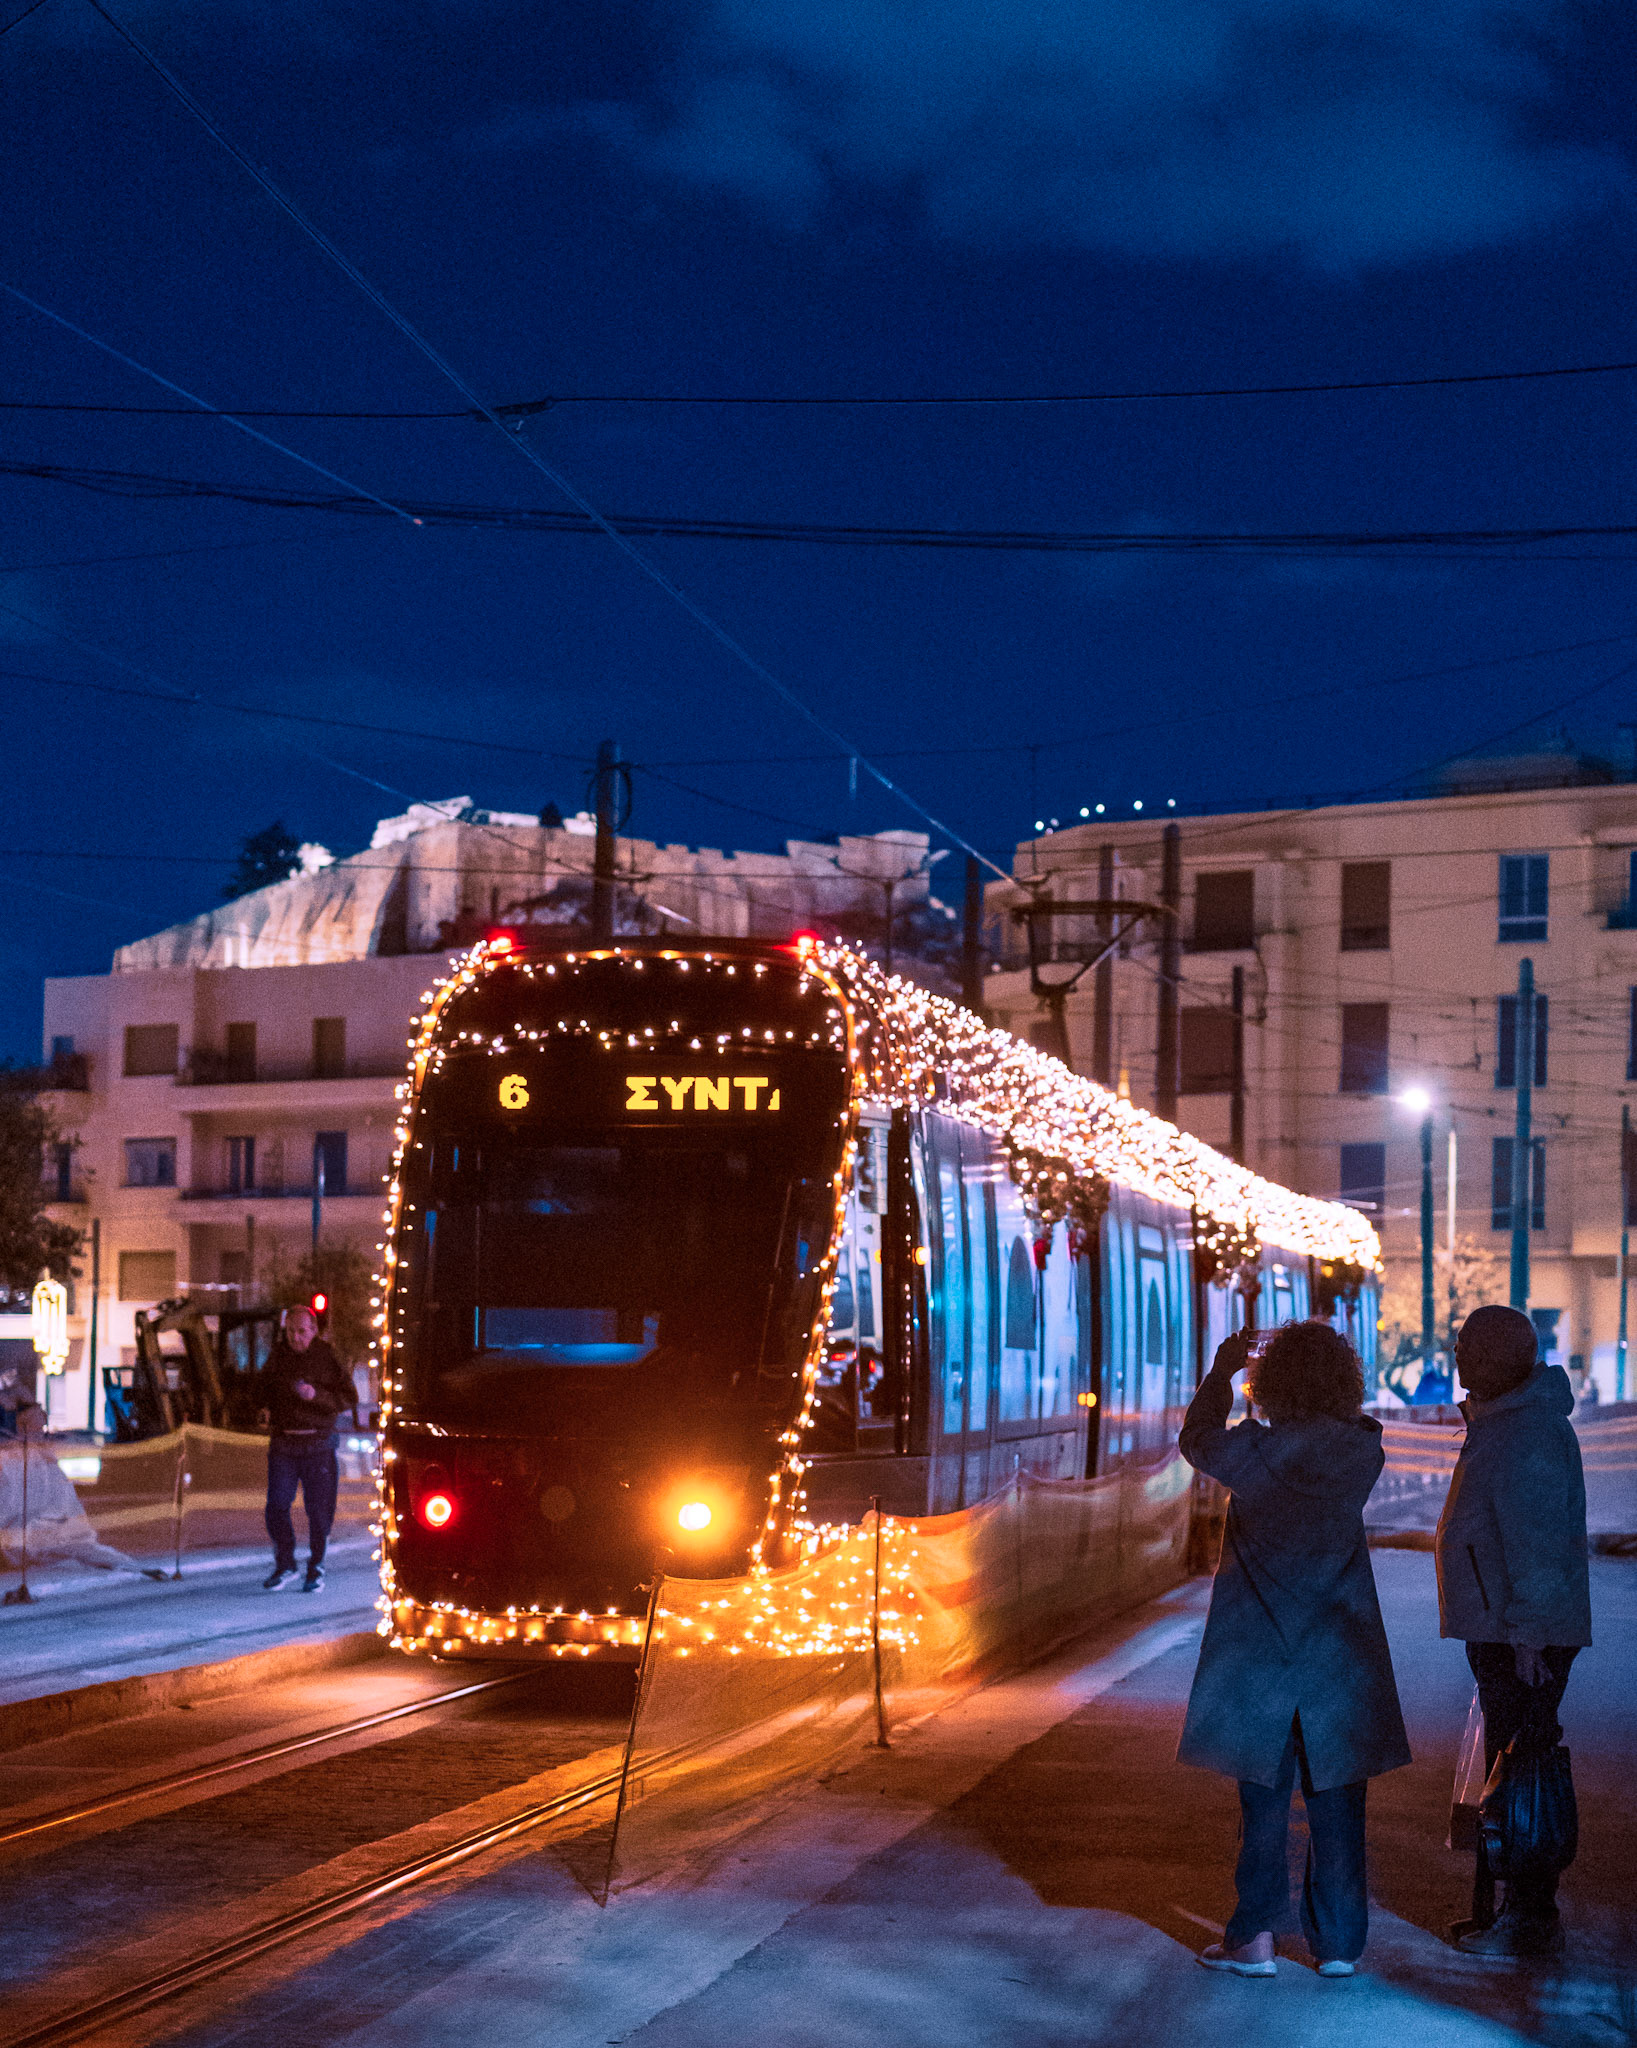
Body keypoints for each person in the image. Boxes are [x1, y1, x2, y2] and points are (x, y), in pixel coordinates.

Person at [1178, 1321, 1410, 1978]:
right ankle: (1338, 1944)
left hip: (1259, 1650)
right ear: (1343, 1383)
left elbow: (1194, 1440)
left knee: (1263, 1798)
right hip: (1339, 1651)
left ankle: (1252, 1939)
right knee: (1338, 1795)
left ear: (1267, 1384)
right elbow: (1358, 1429)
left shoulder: (1252, 1453)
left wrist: (1222, 1371)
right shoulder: (1363, 1454)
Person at [1435, 1304, 1590, 1958]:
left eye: (1469, 1348)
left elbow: (1534, 1541)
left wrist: (1527, 1634)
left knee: (1517, 1769)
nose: (1458, 1358)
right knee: (1513, 1764)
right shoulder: (1508, 1421)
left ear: (1500, 1359)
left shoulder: (1522, 1431)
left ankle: (1521, 1915)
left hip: (1519, 1633)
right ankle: (1511, 1910)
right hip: (1509, 1625)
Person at [257, 1305, 355, 1593]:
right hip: (284, 1444)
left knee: (319, 1511)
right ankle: (285, 1563)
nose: (295, 1337)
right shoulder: (278, 1356)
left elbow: (348, 1397)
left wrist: (317, 1396)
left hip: (318, 1445)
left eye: (301, 1331)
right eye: (290, 1331)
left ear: (313, 1331)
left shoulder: (326, 1357)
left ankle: (316, 1567)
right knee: (276, 1505)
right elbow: (262, 1388)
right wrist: (263, 1406)